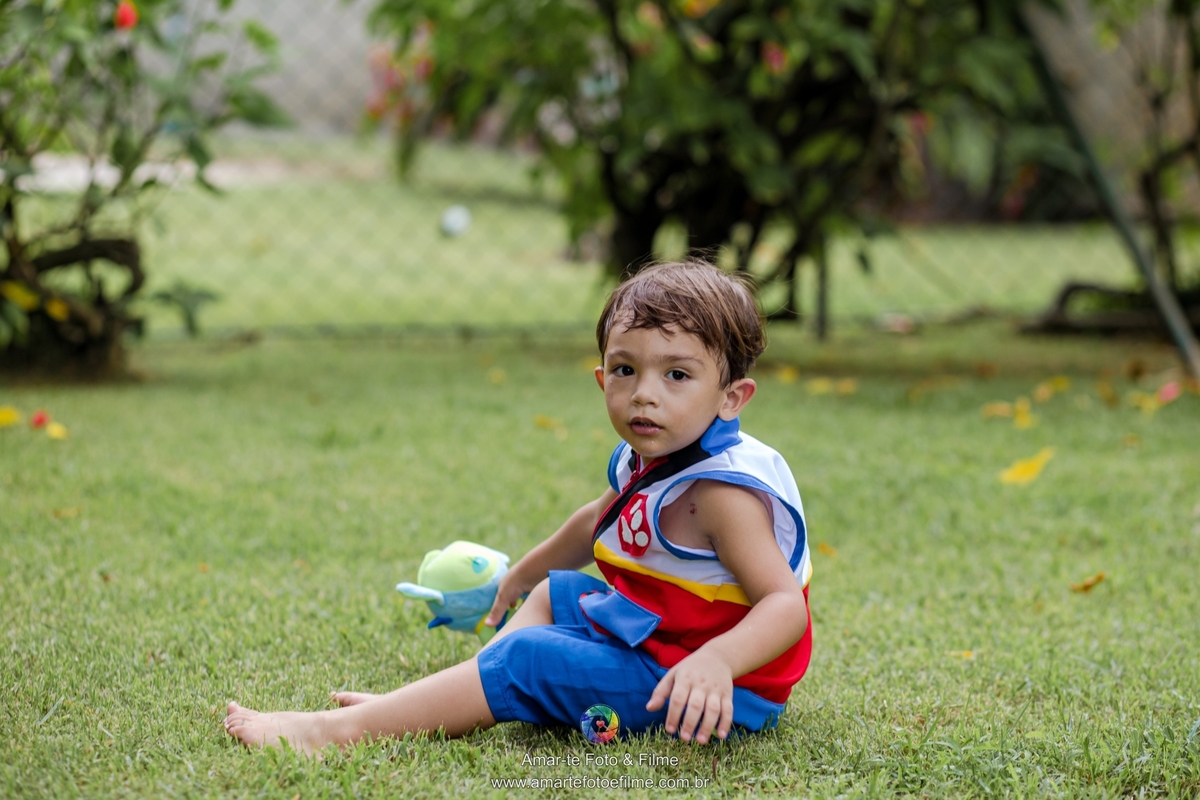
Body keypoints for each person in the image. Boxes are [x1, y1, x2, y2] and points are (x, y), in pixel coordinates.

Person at [224, 260, 812, 753]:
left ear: (731, 398)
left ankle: (335, 732)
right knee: (555, 594)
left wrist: (716, 663)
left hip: (702, 688)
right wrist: (522, 573)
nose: (644, 394)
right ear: (601, 375)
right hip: (663, 640)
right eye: (626, 370)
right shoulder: (656, 453)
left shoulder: (722, 495)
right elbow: (596, 521)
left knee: (529, 658)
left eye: (677, 374)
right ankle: (437, 702)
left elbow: (785, 607)